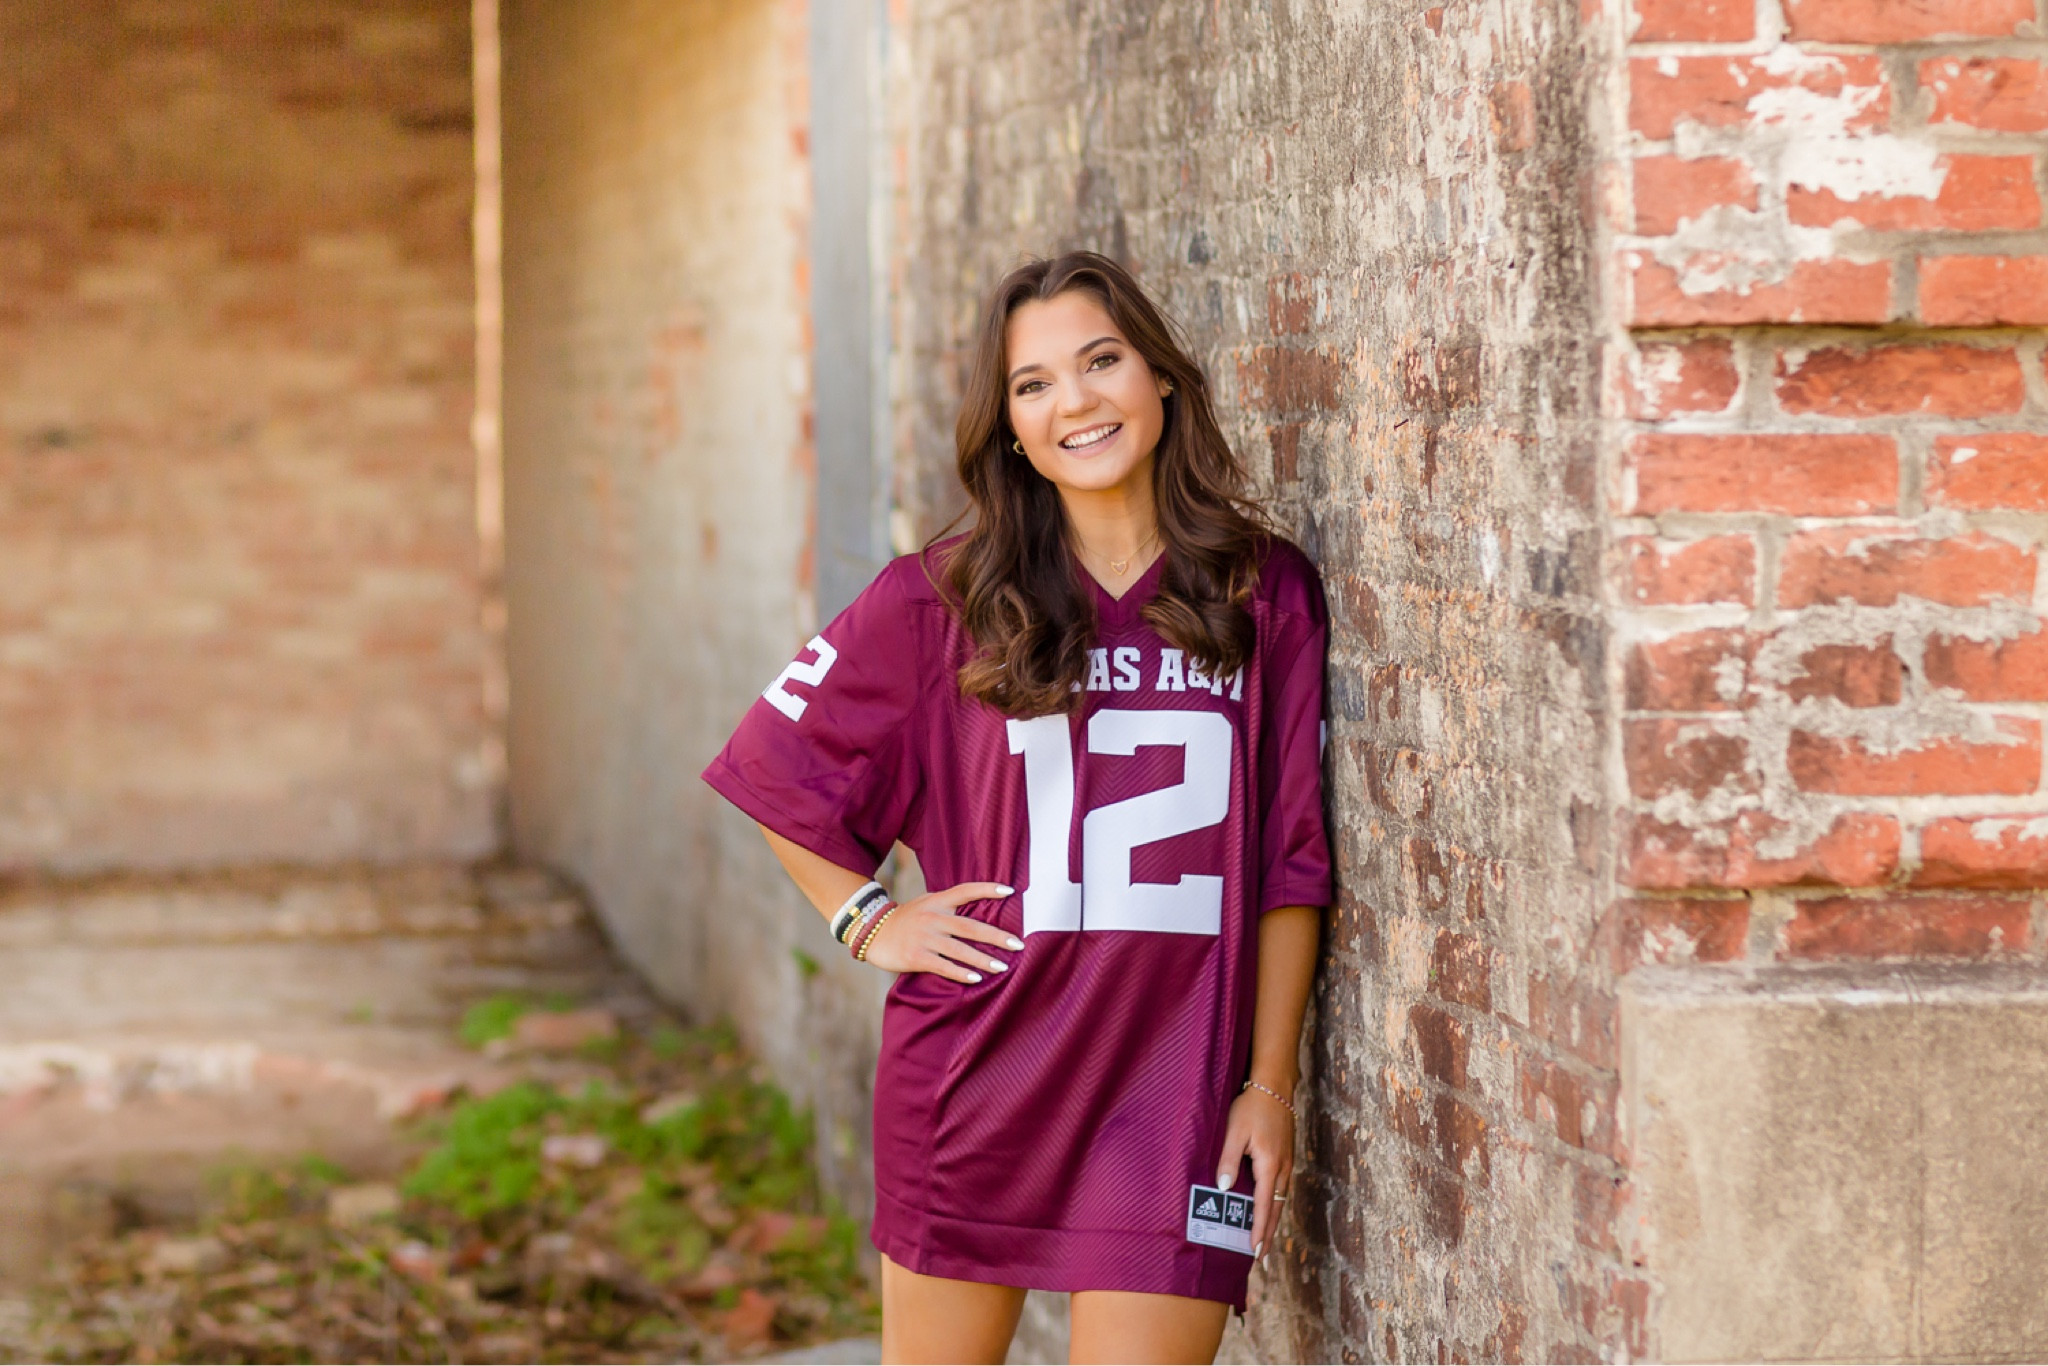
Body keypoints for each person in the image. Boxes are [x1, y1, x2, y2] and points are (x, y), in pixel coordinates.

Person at [702, 251, 1328, 1364]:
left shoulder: (1260, 588)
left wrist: (1265, 1085)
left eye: (1100, 361)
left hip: (1170, 1101)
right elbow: (770, 765)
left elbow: (1288, 864)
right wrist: (868, 918)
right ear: (1008, 426)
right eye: (1032, 385)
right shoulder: (936, 598)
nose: (1074, 401)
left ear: (1160, 377)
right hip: (974, 1084)